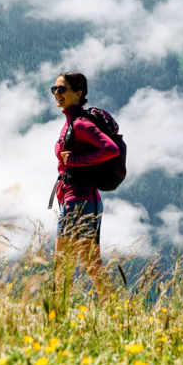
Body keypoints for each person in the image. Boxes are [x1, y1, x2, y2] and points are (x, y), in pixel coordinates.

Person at [50, 72, 119, 295]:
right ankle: (116, 310)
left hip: (78, 202)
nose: (57, 94)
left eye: (62, 89)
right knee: (91, 264)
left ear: (78, 93)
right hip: (84, 200)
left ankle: (57, 317)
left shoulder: (80, 124)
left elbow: (111, 149)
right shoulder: (72, 122)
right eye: (55, 89)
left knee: (62, 263)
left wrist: (78, 161)